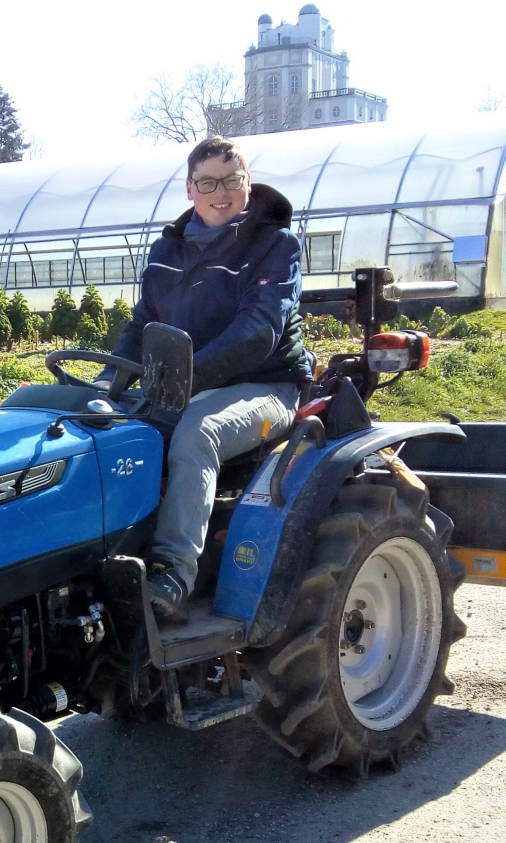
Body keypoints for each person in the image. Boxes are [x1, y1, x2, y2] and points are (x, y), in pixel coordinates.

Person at [98, 136, 311, 624]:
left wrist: (188, 378)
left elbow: (257, 333)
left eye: (232, 181)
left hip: (265, 385)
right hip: (183, 383)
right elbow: (140, 327)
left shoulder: (274, 246)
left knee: (198, 432)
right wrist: (109, 383)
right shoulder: (165, 251)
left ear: (247, 183)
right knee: (103, 427)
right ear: (189, 188)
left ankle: (172, 572)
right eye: (209, 182)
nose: (222, 193)